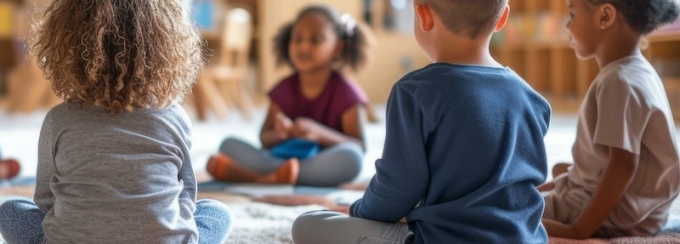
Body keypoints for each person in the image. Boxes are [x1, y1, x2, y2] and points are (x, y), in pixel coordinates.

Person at [292, 0, 551, 243]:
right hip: (523, 238)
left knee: (306, 225)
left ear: (424, 15)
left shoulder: (414, 92)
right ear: (502, 19)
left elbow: (396, 189)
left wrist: (358, 210)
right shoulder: (533, 100)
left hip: (440, 238)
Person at [0, 1, 232, 243]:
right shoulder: (173, 116)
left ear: (67, 47)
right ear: (165, 49)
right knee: (217, 213)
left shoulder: (59, 119)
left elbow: (47, 201)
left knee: (10, 211)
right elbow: (186, 194)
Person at [539, 0, 680, 239]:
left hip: (608, 216)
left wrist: (579, 229)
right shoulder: (640, 71)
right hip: (645, 213)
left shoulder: (618, 81)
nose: (567, 25)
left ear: (605, 16)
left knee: (503, 211)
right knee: (559, 171)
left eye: (572, 15)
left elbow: (622, 166)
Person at [206, 4, 370, 187]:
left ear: (337, 48)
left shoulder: (346, 93)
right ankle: (279, 176)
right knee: (228, 144)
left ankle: (257, 177)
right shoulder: (283, 89)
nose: (304, 46)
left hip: (319, 161)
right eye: (297, 39)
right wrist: (280, 134)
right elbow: (264, 138)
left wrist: (319, 134)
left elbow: (359, 147)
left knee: (352, 158)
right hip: (279, 157)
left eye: (315, 40)